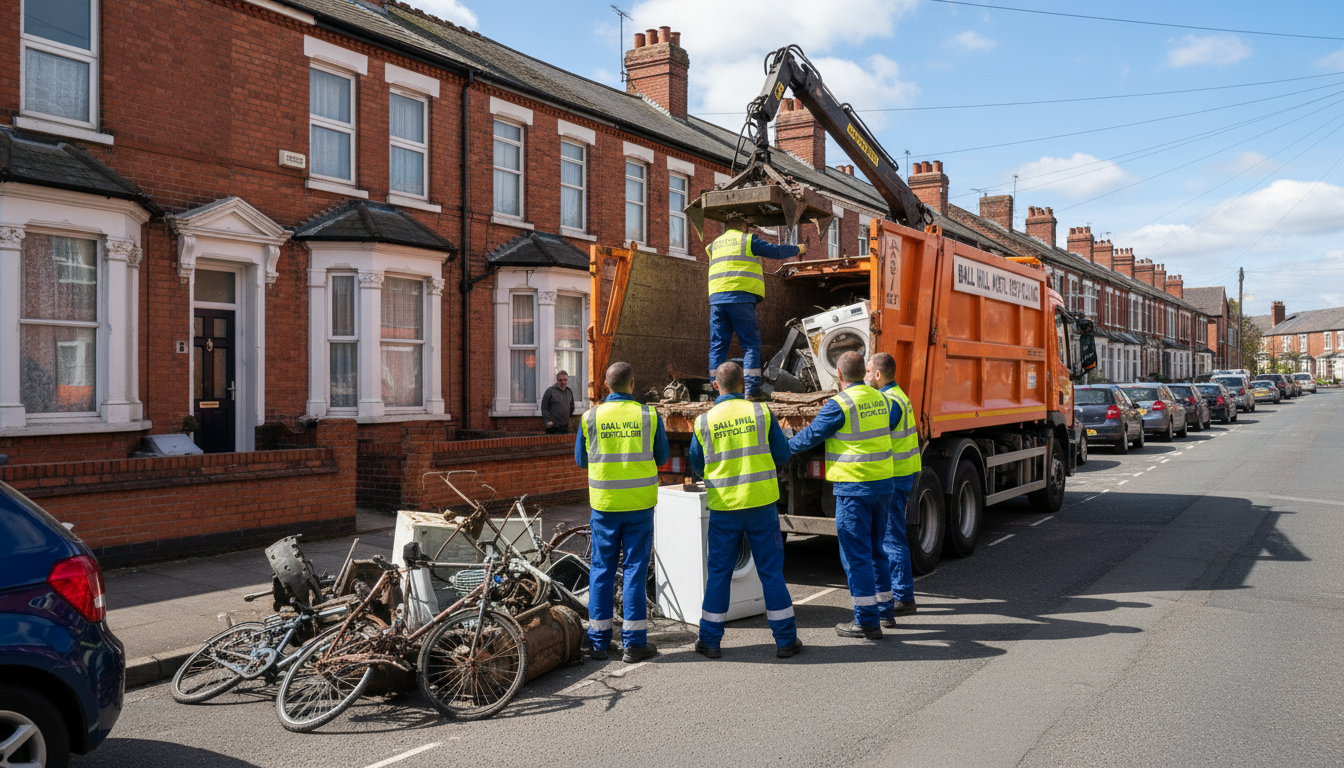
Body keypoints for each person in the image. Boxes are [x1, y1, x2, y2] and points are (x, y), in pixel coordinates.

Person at [687, 362, 802, 659]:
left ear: (716, 386)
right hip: (761, 504)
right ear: (743, 385)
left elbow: (698, 465)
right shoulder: (761, 413)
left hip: (724, 508)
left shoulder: (703, 422)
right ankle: (786, 640)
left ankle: (710, 641)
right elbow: (782, 454)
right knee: (771, 573)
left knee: (720, 575)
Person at [787, 350, 897, 640]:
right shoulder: (884, 399)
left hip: (854, 490)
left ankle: (866, 621)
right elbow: (893, 422)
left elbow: (811, 436)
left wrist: (780, 449)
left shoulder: (840, 405)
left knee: (856, 556)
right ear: (865, 372)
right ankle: (885, 611)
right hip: (883, 485)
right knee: (877, 550)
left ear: (838, 375)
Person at [575, 362, 669, 663]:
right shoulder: (649, 415)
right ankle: (633, 644)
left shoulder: (590, 417)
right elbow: (663, 455)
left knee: (601, 570)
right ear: (632, 384)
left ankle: (598, 643)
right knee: (634, 571)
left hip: (604, 506)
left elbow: (581, 460)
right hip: (639, 506)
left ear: (606, 385)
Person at [707, 215, 807, 401]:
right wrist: (798, 248)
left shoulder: (714, 245)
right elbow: (775, 251)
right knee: (750, 344)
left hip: (717, 300)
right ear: (744, 226)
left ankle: (716, 388)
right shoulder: (747, 240)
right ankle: (751, 390)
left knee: (718, 346)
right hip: (740, 298)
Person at [865, 352, 920, 626]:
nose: (864, 377)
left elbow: (873, 431)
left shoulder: (889, 402)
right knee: (893, 534)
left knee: (891, 537)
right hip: (903, 473)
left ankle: (903, 597)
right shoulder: (898, 395)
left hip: (895, 477)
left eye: (867, 372)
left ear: (878, 375)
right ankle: (902, 593)